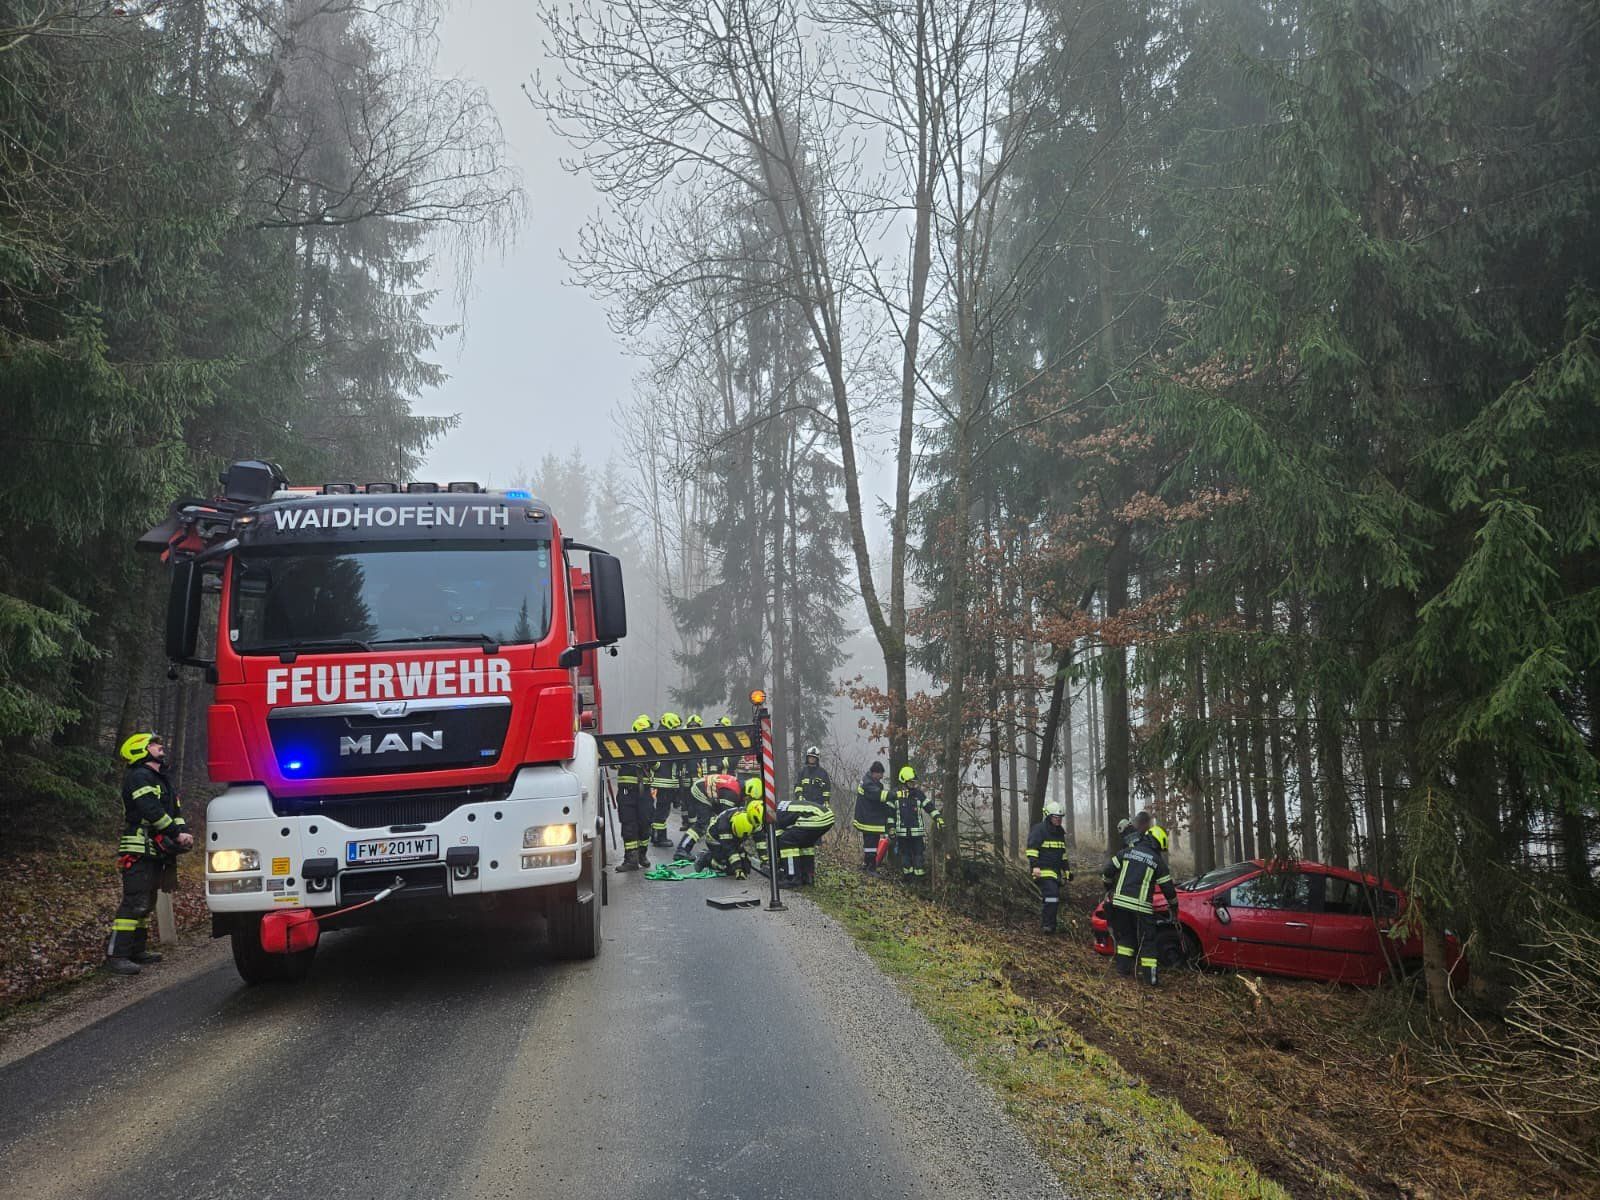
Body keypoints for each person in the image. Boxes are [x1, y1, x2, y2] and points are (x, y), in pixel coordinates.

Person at [106, 733, 192, 975]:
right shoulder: (138, 777)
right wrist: (176, 833)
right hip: (139, 847)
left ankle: (136, 950)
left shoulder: (163, 780)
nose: (160, 746)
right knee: (134, 901)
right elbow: (151, 810)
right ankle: (117, 955)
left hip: (156, 849)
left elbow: (175, 811)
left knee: (148, 901)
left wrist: (183, 831)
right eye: (153, 744)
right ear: (139, 750)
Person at [1101, 823, 1179, 985]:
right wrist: (1174, 906)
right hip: (1141, 907)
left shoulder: (1127, 852)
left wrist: (1109, 887)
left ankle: (1123, 971)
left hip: (1120, 904)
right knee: (1147, 941)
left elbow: (1108, 870)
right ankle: (1151, 979)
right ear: (1159, 844)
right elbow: (1168, 890)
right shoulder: (1157, 861)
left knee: (1126, 937)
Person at [774, 775, 836, 887]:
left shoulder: (774, 815)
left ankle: (792, 877)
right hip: (827, 816)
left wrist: (779, 862)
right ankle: (807, 876)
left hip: (817, 818)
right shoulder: (782, 807)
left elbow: (778, 840)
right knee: (805, 844)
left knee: (786, 840)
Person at [1026, 800, 1073, 933]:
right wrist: (1035, 867)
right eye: (1056, 817)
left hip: (1056, 872)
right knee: (1052, 895)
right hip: (1042, 870)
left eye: (1060, 818)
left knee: (1053, 898)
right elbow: (1031, 849)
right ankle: (1047, 926)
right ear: (1048, 816)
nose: (1058, 820)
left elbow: (1062, 854)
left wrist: (1067, 870)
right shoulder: (1039, 829)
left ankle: (1051, 924)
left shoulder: (1060, 833)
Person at [615, 715, 655, 872]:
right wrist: (630, 757)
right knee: (629, 824)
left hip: (644, 791)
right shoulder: (624, 746)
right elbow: (614, 764)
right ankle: (630, 859)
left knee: (645, 823)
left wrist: (646, 757)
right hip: (626, 791)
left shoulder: (653, 747)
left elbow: (657, 765)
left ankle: (642, 855)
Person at [890, 764, 942, 883]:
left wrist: (938, 818)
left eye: (914, 783)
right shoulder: (895, 795)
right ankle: (908, 880)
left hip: (917, 834)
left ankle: (919, 881)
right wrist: (891, 829)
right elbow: (890, 814)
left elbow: (929, 807)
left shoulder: (918, 794)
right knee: (905, 858)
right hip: (902, 835)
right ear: (903, 781)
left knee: (919, 857)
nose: (913, 785)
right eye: (911, 783)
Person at [676, 772, 742, 859]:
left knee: (715, 822)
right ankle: (682, 850)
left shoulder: (737, 788)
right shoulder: (731, 793)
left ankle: (718, 849)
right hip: (700, 790)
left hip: (708, 791)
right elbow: (725, 819)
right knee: (703, 823)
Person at [696, 799, 766, 879]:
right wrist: (738, 869)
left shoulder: (752, 820)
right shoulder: (724, 826)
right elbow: (729, 848)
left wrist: (764, 859)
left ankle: (727, 861)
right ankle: (706, 858)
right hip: (715, 840)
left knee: (746, 868)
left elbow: (760, 840)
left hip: (734, 839)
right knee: (729, 868)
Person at [648, 711, 684, 848]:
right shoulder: (667, 739)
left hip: (662, 782)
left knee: (661, 809)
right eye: (675, 727)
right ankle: (659, 837)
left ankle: (656, 835)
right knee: (662, 811)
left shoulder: (659, 737)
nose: (677, 730)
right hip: (666, 783)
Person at [853, 761, 892, 871]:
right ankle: (871, 868)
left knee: (871, 844)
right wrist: (895, 794)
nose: (881, 777)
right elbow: (878, 795)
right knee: (871, 845)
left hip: (870, 818)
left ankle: (867, 864)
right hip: (869, 819)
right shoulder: (868, 783)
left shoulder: (871, 781)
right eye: (880, 774)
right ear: (875, 773)